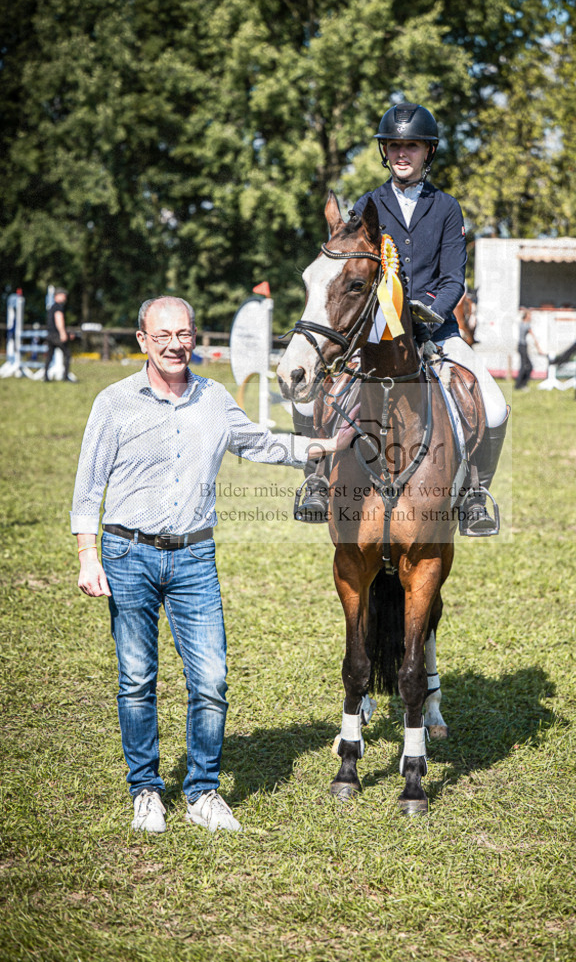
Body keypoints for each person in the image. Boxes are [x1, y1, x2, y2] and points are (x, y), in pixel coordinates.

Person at [72, 296, 354, 834]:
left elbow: (257, 442)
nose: (176, 344)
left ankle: (202, 791)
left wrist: (322, 447)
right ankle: (146, 791)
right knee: (136, 680)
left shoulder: (214, 396)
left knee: (212, 680)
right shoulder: (113, 402)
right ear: (142, 341)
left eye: (184, 333)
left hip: (194, 557)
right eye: (163, 336)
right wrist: (89, 555)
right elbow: (88, 487)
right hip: (127, 553)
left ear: (194, 337)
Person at [297, 102, 509, 536]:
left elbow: (454, 279)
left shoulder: (447, 208)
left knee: (495, 404)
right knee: (307, 397)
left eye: (410, 146)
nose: (401, 153)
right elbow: (351, 268)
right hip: (374, 334)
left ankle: (473, 494)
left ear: (427, 152)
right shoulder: (369, 204)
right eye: (393, 145)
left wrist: (426, 311)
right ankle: (316, 480)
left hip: (435, 330)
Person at [44, 287, 72, 381]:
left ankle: (46, 377)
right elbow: (58, 319)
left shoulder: (52, 307)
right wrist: (63, 333)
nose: (65, 297)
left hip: (50, 335)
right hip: (56, 335)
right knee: (67, 354)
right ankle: (65, 376)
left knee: (49, 356)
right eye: (63, 295)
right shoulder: (58, 307)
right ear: (58, 296)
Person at [515, 308, 543, 390]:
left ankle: (520, 384)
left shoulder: (521, 323)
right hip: (523, 346)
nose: (531, 317)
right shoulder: (527, 325)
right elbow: (533, 337)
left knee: (525, 366)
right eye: (530, 315)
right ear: (526, 316)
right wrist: (539, 349)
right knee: (526, 366)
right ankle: (520, 385)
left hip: (521, 346)